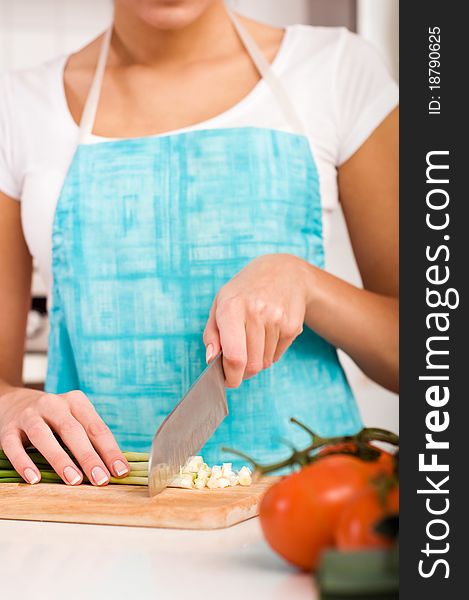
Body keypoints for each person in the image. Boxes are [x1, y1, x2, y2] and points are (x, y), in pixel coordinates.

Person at [0, 0, 398, 487]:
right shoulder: (18, 106)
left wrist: (305, 283)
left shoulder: (337, 68)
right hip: (100, 519)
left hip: (314, 514)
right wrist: (8, 403)